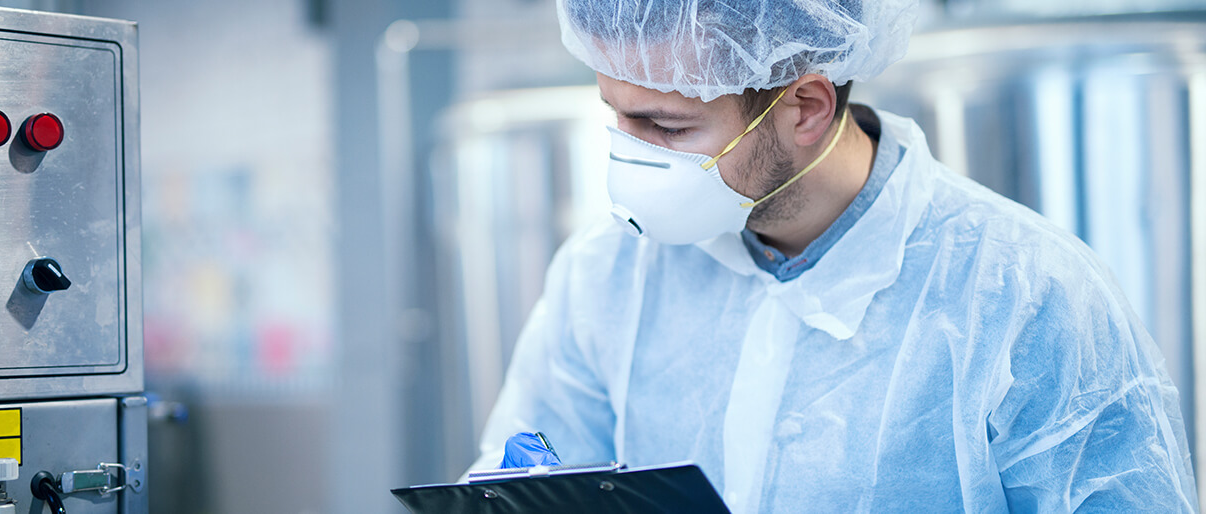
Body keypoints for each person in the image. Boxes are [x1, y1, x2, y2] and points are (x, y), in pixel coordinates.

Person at [465, 0, 1199, 512]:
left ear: (807, 108)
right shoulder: (608, 274)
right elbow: (524, 480)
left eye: (666, 126)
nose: (629, 158)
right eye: (615, 116)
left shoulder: (1025, 296)